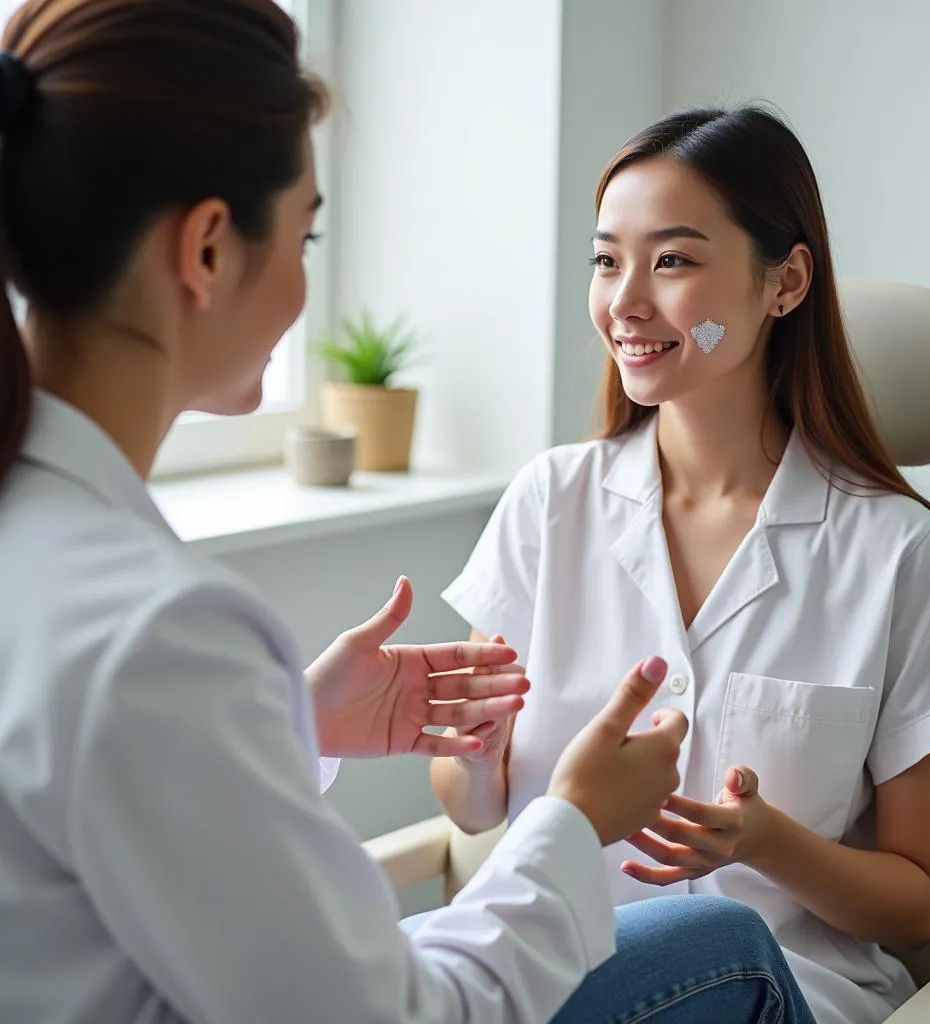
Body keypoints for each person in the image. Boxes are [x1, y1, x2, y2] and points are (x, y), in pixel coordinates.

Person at [0, 2, 694, 1022]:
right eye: (306, 231)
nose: (300, 279)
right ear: (204, 251)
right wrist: (573, 825)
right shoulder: (159, 629)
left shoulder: (56, 555)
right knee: (717, 940)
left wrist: (289, 721)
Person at [433, 106, 930, 1024]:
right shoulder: (550, 502)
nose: (624, 301)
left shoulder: (896, 553)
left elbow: (918, 906)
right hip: (549, 979)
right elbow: (472, 810)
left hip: (774, 988)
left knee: (702, 940)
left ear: (784, 283)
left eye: (671, 260)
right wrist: (462, 748)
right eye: (605, 259)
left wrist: (760, 841)